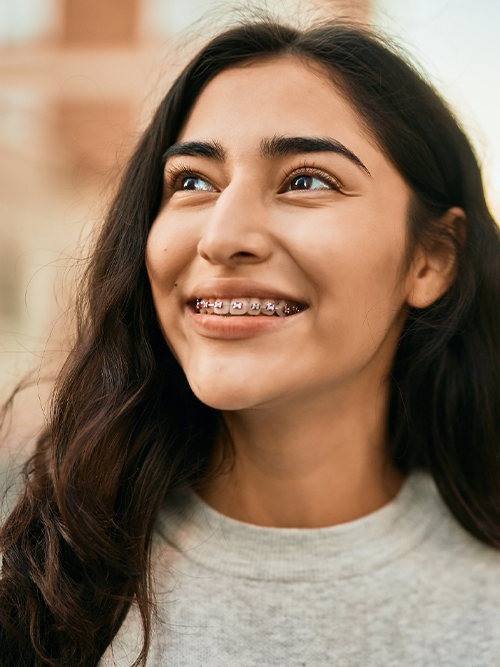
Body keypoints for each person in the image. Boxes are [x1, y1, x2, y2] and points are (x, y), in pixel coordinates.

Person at [1, 16, 500, 667]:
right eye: (192, 182)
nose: (220, 234)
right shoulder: (44, 589)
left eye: (307, 180)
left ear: (431, 258)